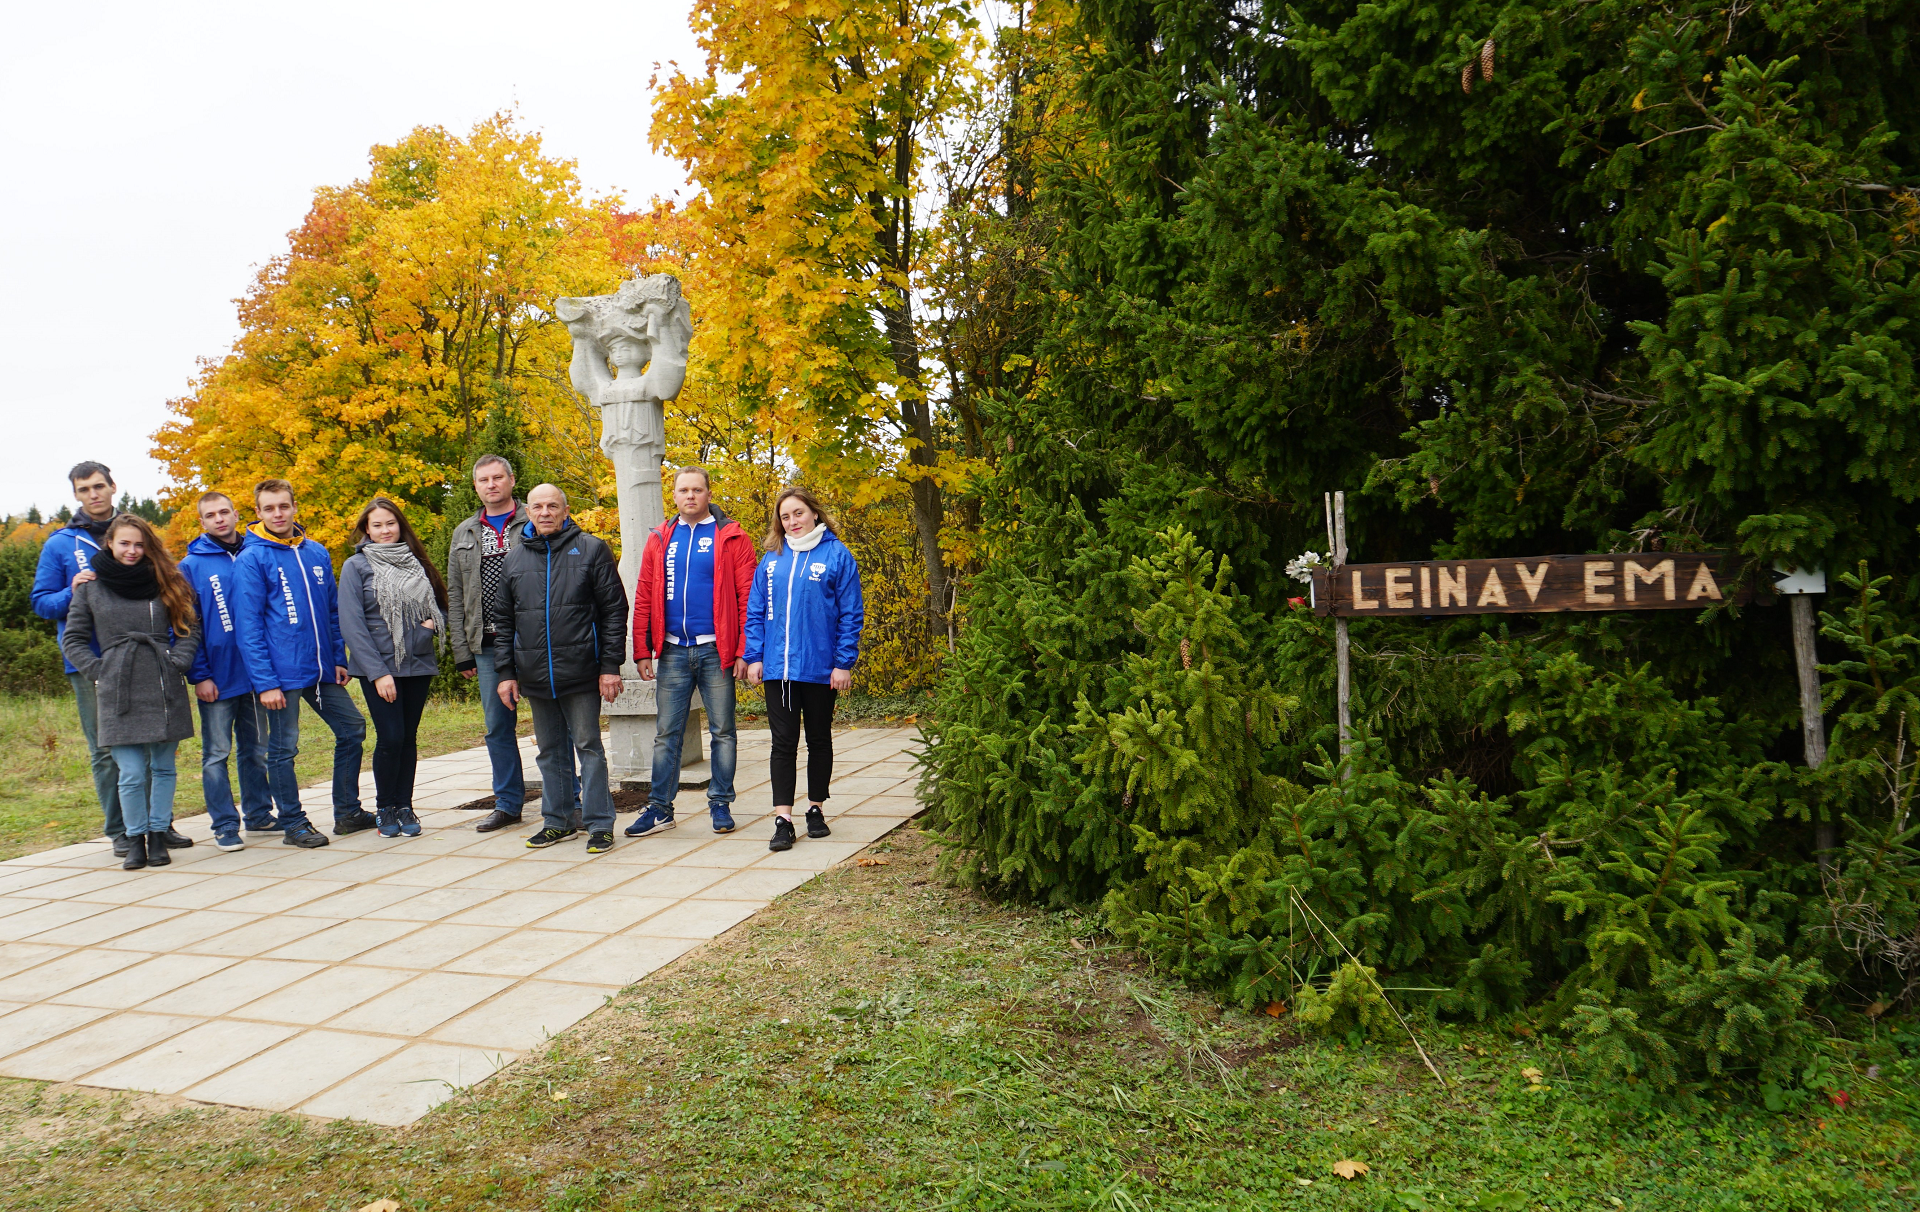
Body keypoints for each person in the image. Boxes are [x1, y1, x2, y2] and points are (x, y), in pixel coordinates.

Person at [30, 462, 187, 856]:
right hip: (94, 664)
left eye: (99, 486)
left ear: (113, 487)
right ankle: (121, 830)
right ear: (77, 495)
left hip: (150, 665)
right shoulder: (61, 544)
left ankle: (157, 826)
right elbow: (41, 602)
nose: (93, 494)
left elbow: (175, 604)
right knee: (107, 751)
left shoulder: (138, 535)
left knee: (156, 747)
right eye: (84, 489)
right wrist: (73, 591)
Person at [490, 484, 627, 854]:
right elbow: (503, 621)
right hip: (534, 674)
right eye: (538, 506)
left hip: (582, 671)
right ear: (528, 512)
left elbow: (614, 611)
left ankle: (599, 824)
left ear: (566, 511)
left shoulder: (593, 549)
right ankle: (558, 822)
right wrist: (506, 673)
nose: (545, 512)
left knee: (588, 747)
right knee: (550, 751)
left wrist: (610, 665)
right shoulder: (514, 559)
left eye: (553, 506)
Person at [231, 478, 368, 848]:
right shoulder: (252, 558)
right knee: (283, 747)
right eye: (269, 508)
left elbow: (332, 611)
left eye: (284, 506)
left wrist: (338, 658)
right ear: (258, 512)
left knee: (352, 729)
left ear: (294, 507)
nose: (278, 513)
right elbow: (248, 626)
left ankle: (348, 812)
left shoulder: (316, 552)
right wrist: (265, 682)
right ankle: (293, 822)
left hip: (321, 670)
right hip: (281, 676)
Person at [59, 515, 200, 871]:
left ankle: (157, 836)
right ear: (110, 543)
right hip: (117, 686)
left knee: (164, 767)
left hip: (162, 681)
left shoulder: (165, 580)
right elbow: (72, 638)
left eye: (139, 544)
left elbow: (188, 627)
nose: (132, 551)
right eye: (125, 543)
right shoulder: (90, 586)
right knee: (132, 772)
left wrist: (178, 661)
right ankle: (134, 837)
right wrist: (98, 670)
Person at [624, 466, 756, 839]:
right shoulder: (661, 538)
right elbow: (645, 594)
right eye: (684, 490)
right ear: (675, 495)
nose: (691, 496)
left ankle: (720, 803)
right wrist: (642, 650)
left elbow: (749, 598)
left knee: (723, 732)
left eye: (697, 490)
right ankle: (660, 809)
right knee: (667, 734)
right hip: (672, 651)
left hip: (718, 650)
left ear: (709, 494)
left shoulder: (731, 536)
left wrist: (746, 650)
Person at [743, 486, 865, 852]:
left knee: (819, 739)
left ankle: (815, 808)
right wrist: (755, 656)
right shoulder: (772, 559)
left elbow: (851, 614)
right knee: (782, 744)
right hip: (778, 670)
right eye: (785, 516)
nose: (792, 521)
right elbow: (756, 611)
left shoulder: (837, 555)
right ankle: (783, 819)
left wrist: (843, 663)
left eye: (798, 513)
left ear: (814, 513)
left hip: (820, 668)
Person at [339, 496, 448, 839]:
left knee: (409, 739)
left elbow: (440, 607)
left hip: (417, 665)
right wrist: (378, 672)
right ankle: (386, 805)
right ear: (366, 530)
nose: (385, 530)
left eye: (390, 523)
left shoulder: (417, 562)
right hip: (380, 668)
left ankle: (405, 805)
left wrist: (426, 631)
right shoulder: (355, 567)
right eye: (377, 525)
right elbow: (352, 623)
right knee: (390, 738)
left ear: (400, 525)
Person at [178, 491, 272, 851]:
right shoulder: (191, 565)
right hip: (217, 677)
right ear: (202, 523)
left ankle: (260, 815)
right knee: (217, 753)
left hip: (256, 674)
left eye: (224, 512)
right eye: (210, 515)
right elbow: (186, 625)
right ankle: (224, 824)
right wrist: (200, 675)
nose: (219, 519)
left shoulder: (256, 553)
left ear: (236, 515)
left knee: (257, 749)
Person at [446, 455, 530, 833]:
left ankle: (568, 800)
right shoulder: (464, 532)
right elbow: (455, 592)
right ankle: (509, 803)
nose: (491, 484)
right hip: (488, 645)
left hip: (535, 641)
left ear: (512, 481)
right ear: (476, 486)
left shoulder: (536, 519)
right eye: (484, 480)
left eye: (498, 478)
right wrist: (462, 650)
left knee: (551, 726)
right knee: (498, 727)